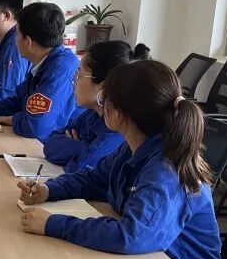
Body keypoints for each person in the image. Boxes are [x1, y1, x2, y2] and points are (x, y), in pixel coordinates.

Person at [17, 60, 222, 259]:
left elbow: (131, 235)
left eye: (105, 99)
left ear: (121, 114)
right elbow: (95, 178)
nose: (101, 105)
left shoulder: (166, 170)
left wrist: (53, 224)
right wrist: (50, 190)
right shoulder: (134, 146)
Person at [0, 2, 79, 140]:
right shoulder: (44, 62)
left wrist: (12, 120)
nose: (14, 40)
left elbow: (36, 127)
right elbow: (19, 100)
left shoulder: (61, 68)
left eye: (17, 34)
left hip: (59, 145)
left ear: (28, 42)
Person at [42, 41, 150, 172]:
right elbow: (49, 144)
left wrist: (77, 146)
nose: (73, 81)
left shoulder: (118, 128)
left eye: (79, 75)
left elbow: (80, 170)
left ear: (103, 86)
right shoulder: (91, 114)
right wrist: (84, 147)